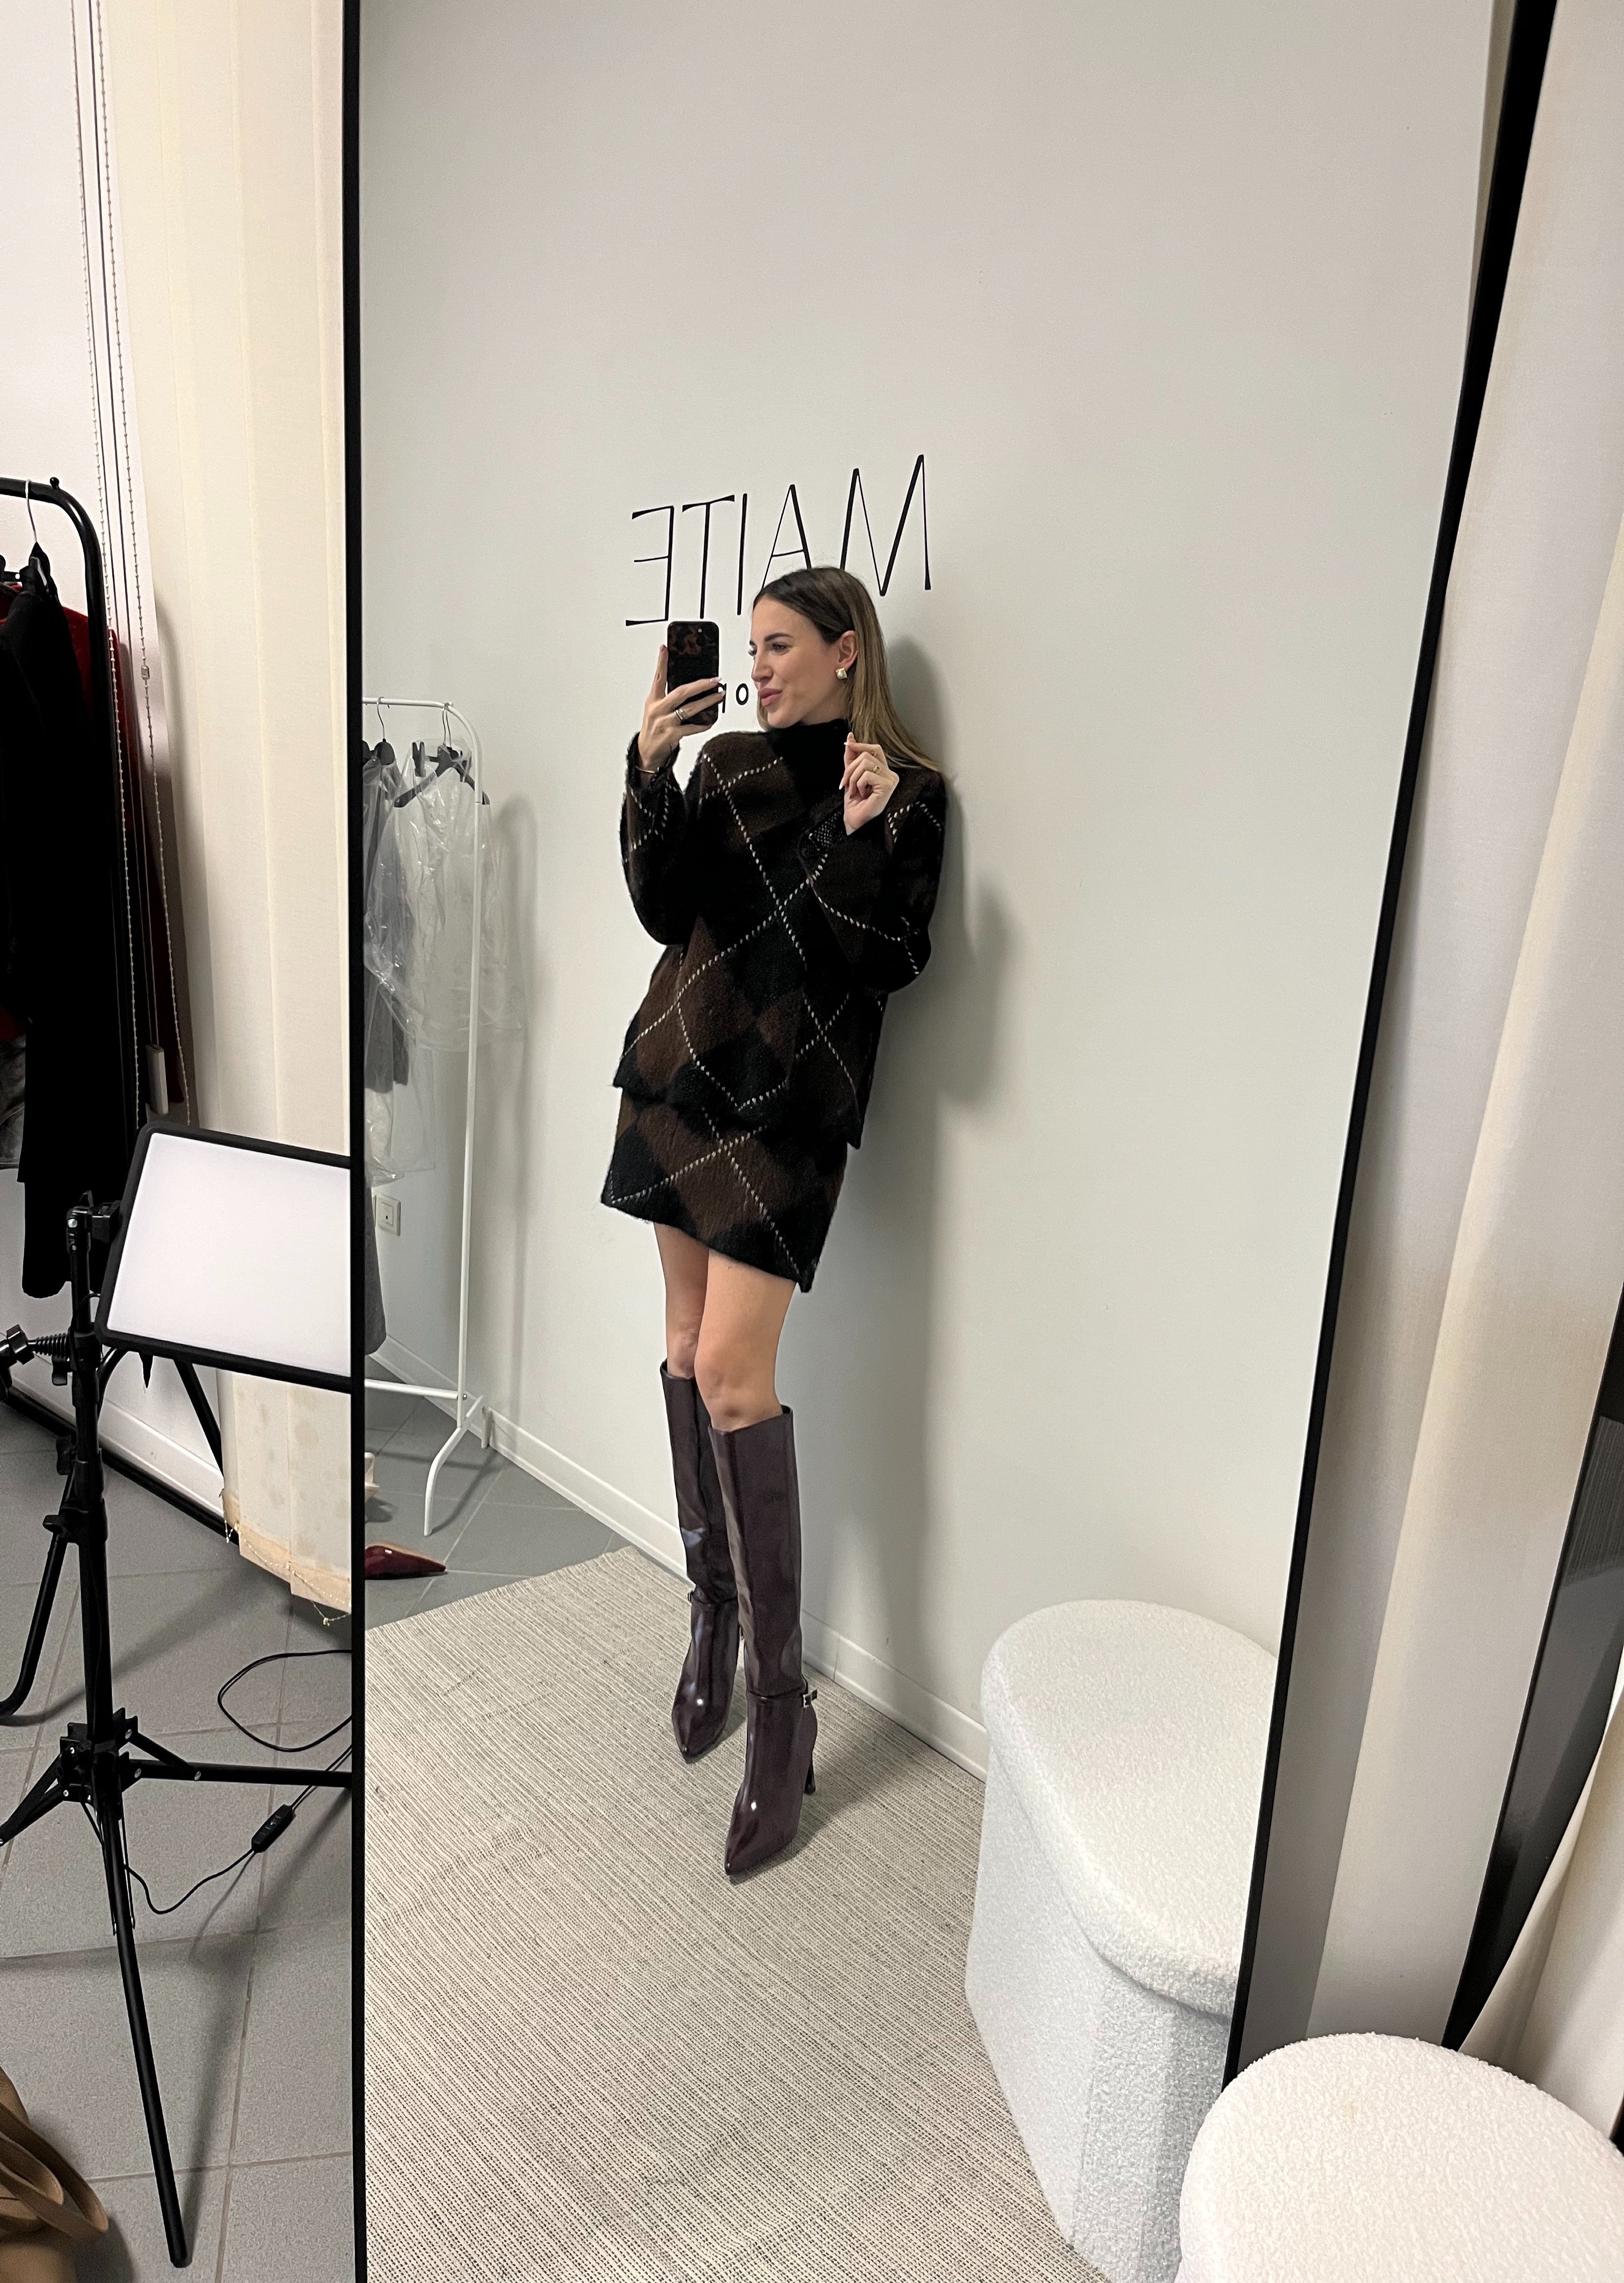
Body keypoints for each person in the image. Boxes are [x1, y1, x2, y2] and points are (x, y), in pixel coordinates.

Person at [601, 563, 948, 1876]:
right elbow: (662, 907)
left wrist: (858, 835)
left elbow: (882, 963)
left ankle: (783, 1704)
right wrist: (650, 768)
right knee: (689, 1349)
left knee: (737, 1377)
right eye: (749, 649)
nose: (757, 668)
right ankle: (714, 1617)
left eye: (782, 646)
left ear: (849, 650)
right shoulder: (727, 761)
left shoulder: (908, 794)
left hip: (784, 1115)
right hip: (675, 1080)